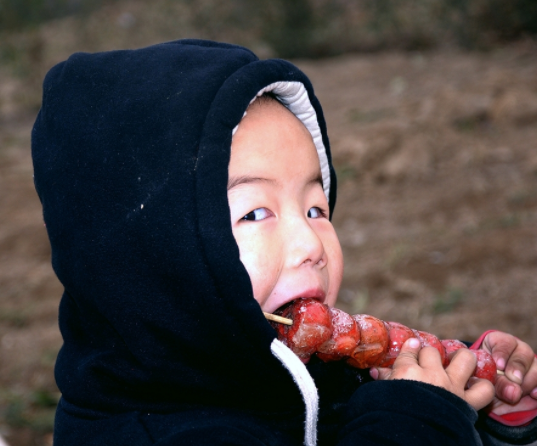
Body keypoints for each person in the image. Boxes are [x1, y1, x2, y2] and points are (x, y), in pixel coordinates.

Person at [31, 39, 537, 445]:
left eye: (316, 208)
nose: (309, 243)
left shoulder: (308, 369)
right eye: (255, 213)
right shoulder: (155, 433)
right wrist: (418, 423)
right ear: (152, 259)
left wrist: (476, 405)